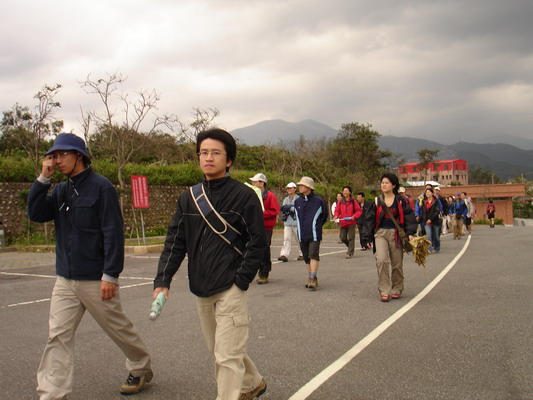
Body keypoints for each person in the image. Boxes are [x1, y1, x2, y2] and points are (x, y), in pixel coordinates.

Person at [27, 133, 152, 399]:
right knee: (57, 336)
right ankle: (52, 393)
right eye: (53, 156)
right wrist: (43, 179)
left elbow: (112, 232)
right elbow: (36, 214)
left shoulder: (102, 187)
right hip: (65, 279)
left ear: (78, 156)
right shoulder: (60, 189)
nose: (56, 160)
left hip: (96, 278)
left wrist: (110, 274)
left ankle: (140, 367)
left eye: (62, 155)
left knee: (117, 328)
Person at [153, 129, 267, 400]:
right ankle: (252, 383)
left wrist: (241, 281)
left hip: (230, 287)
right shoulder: (189, 197)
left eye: (216, 153)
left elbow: (258, 242)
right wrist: (162, 281)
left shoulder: (245, 196)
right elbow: (175, 242)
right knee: (219, 347)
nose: (208, 157)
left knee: (226, 356)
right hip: (200, 287)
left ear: (229, 160)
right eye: (204, 152)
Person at [362, 173, 417, 302]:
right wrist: (367, 238)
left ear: (393, 185)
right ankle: (384, 290)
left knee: (397, 264)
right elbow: (369, 220)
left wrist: (410, 233)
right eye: (382, 182)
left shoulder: (400, 200)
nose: (384, 185)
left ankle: (397, 288)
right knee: (381, 260)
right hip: (380, 234)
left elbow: (409, 216)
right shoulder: (377, 201)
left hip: (396, 234)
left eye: (387, 183)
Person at [294, 177, 328, 290]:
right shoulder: (297, 201)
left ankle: (313, 278)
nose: (300, 187)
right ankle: (310, 277)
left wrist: (316, 226)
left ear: (309, 187)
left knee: (313, 254)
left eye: (302, 185)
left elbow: (324, 216)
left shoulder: (318, 200)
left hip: (314, 233)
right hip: (302, 234)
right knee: (306, 256)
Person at [250, 173, 280, 284]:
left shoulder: (270, 196)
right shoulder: (253, 194)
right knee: (256, 248)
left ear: (262, 183)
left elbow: (275, 211)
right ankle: (259, 271)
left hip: (266, 226)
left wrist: (261, 214)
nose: (253, 184)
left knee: (265, 248)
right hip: (255, 226)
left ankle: (264, 273)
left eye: (255, 182)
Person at [334, 186, 362, 259]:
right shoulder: (340, 202)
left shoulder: (353, 201)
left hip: (351, 223)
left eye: (346, 191)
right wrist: (336, 216)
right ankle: (350, 247)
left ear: (350, 192)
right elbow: (337, 210)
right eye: (344, 191)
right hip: (343, 223)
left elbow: (359, 211)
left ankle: (349, 253)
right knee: (342, 238)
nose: (345, 192)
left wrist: (354, 216)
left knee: (351, 238)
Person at [278, 182, 304, 262]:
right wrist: (290, 208)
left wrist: (289, 208)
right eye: (288, 188)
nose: (289, 190)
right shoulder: (286, 199)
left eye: (290, 188)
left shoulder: (299, 199)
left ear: (294, 189)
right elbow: (283, 208)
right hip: (288, 222)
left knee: (299, 239)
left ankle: (302, 253)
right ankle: (284, 254)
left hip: (297, 223)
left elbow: (297, 209)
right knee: (286, 239)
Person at [419, 188, 442, 253]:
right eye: (426, 192)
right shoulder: (423, 201)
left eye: (429, 192)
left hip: (435, 221)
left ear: (432, 193)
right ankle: (429, 249)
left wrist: (431, 219)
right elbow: (422, 211)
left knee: (436, 236)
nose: (427, 194)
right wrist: (421, 219)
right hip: (426, 222)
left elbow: (436, 211)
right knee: (428, 235)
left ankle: (437, 246)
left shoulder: (436, 201)